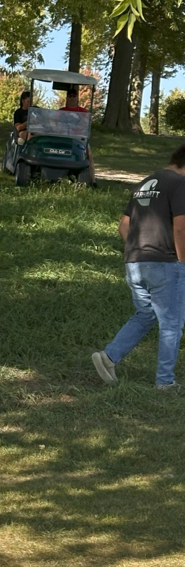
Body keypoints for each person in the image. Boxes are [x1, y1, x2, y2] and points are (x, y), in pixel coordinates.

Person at [92, 143, 185, 392]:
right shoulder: (179, 184)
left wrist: (138, 249)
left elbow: (124, 226)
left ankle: (109, 357)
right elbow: (180, 227)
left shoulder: (144, 183)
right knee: (171, 323)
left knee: (146, 315)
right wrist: (182, 261)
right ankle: (165, 381)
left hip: (135, 262)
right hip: (166, 264)